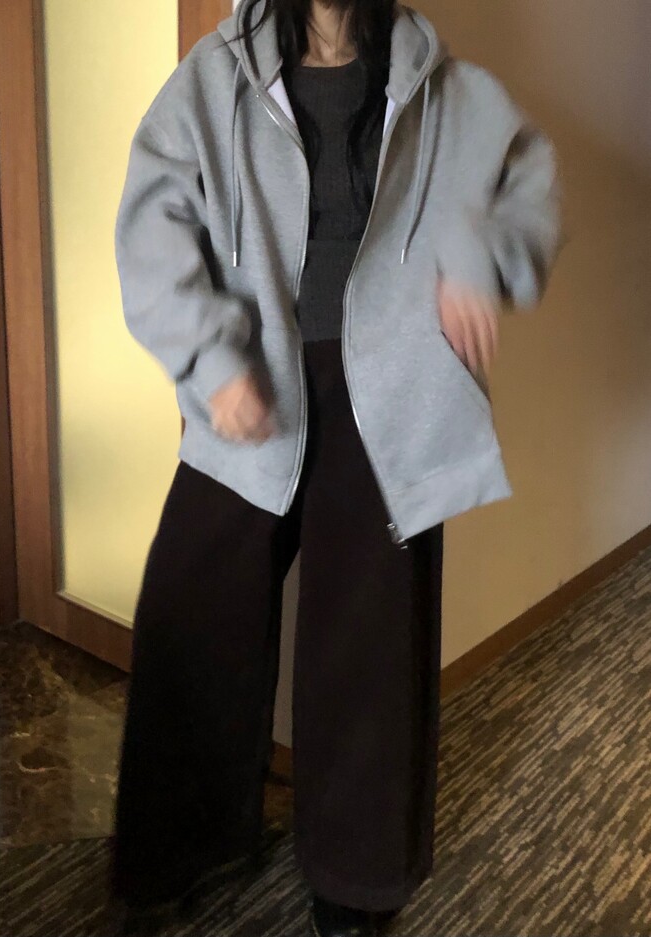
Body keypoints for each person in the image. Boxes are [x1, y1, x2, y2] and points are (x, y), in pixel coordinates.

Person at [110, 0, 562, 934]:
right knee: (192, 615)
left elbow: (529, 184)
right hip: (255, 378)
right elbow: (153, 225)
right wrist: (210, 359)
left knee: (368, 645)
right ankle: (181, 845)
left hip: (391, 391)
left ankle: (354, 881)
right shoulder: (213, 78)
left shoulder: (442, 85)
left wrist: (478, 261)